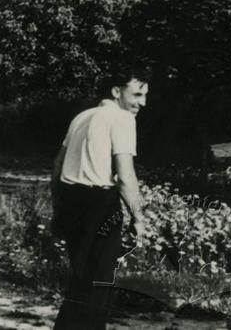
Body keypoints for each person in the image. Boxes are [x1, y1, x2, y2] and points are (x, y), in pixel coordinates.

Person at [50, 68, 149, 330]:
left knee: (80, 281)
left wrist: (58, 209)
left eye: (145, 95)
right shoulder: (123, 119)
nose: (142, 103)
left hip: (71, 201)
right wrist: (139, 218)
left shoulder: (82, 116)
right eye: (137, 94)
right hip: (99, 204)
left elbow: (57, 167)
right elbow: (126, 175)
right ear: (116, 92)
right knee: (99, 285)